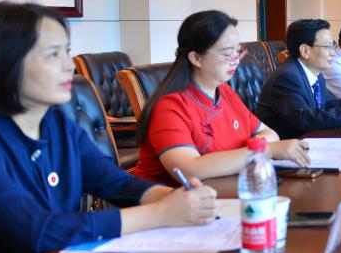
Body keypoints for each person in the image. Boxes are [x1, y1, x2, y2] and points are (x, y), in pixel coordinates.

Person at [0, 1, 217, 253]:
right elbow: (39, 232)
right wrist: (161, 214)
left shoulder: (57, 125)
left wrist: (176, 198)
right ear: (6, 63)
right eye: (53, 54)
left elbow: (116, 183)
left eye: (67, 51)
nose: (69, 65)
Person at [132, 10, 310, 186]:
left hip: (226, 190)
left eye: (238, 51)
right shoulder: (170, 107)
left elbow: (269, 133)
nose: (236, 60)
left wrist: (253, 149)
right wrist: (263, 151)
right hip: (169, 199)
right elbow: (189, 171)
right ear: (196, 58)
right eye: (227, 54)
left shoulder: (224, 92)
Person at [257, 19, 341, 139]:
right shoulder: (287, 77)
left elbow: (328, 104)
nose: (333, 53)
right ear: (305, 51)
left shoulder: (316, 73)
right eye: (328, 47)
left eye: (333, 46)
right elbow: (303, 119)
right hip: (288, 145)